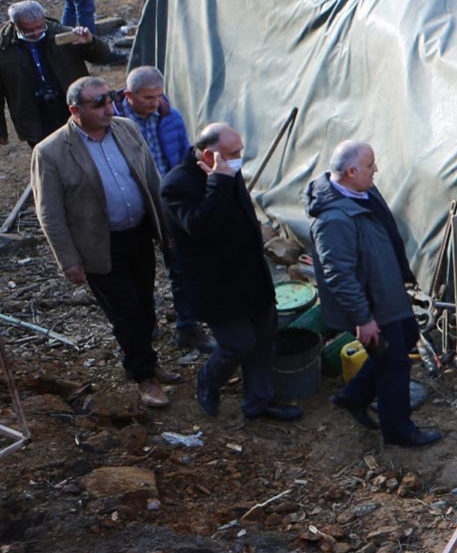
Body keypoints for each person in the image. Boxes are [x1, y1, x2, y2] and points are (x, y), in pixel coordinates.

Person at [30, 77, 177, 408]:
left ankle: (145, 361)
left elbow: (151, 178)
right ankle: (144, 377)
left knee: (144, 304)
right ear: (75, 109)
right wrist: (68, 259)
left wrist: (165, 228)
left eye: (109, 100)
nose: (109, 108)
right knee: (126, 314)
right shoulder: (51, 152)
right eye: (98, 103)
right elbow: (49, 212)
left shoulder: (125, 128)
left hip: (137, 234)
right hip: (98, 244)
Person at [162, 122, 301, 423]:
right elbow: (199, 225)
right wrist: (219, 183)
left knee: (264, 336)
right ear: (209, 154)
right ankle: (209, 381)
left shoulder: (227, 172)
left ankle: (259, 402)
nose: (239, 158)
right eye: (232, 153)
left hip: (250, 273)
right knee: (238, 343)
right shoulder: (177, 184)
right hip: (217, 284)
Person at [307, 141, 440, 448]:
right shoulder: (333, 221)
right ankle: (399, 431)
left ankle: (352, 396)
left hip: (388, 290)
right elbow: (339, 276)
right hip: (373, 304)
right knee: (395, 364)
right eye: (370, 165)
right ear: (351, 171)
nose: (376, 170)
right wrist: (363, 318)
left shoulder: (361, 191)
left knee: (407, 337)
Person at [114, 67, 210, 351]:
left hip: (168, 202)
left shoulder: (171, 117)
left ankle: (188, 326)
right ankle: (145, 327)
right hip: (133, 204)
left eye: (158, 96)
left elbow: (182, 158)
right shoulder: (114, 123)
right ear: (129, 95)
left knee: (181, 265)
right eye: (147, 98)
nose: (155, 103)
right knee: (138, 269)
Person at [1, 0, 109, 149]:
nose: (36, 33)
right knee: (49, 160)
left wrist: (90, 42)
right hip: (33, 116)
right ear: (15, 25)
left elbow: (102, 57)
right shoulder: (4, 49)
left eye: (40, 27)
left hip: (69, 106)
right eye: (29, 30)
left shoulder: (63, 34)